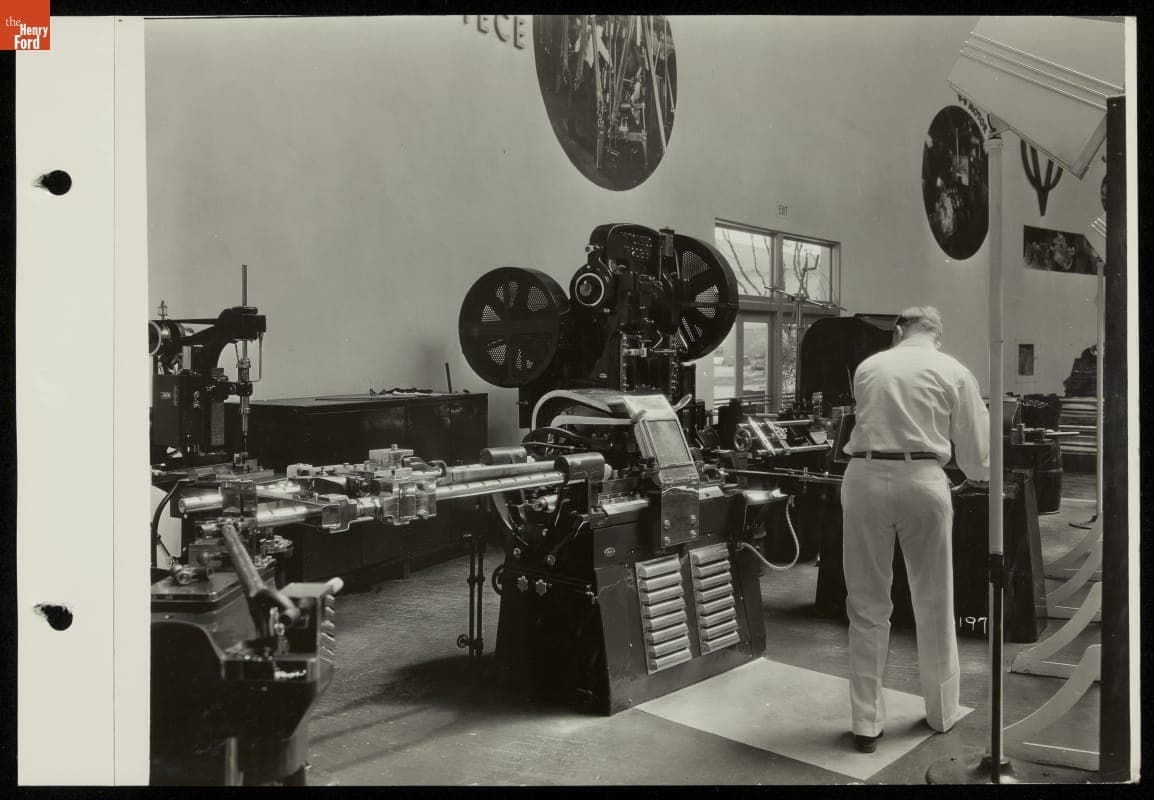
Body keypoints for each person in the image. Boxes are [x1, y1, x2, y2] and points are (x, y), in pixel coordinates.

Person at [840, 305, 990, 753]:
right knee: (934, 600)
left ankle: (866, 724)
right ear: (937, 335)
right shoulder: (953, 369)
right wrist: (971, 471)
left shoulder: (870, 366)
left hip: (864, 477)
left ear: (899, 330)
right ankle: (941, 713)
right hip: (923, 480)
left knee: (866, 604)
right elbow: (978, 455)